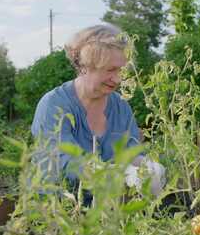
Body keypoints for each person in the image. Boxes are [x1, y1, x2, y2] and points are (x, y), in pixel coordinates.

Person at [30, 24, 165, 203]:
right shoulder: (54, 105)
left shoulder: (120, 106)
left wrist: (146, 167)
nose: (118, 79)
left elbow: (130, 152)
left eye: (122, 70)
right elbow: (63, 163)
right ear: (84, 66)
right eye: (110, 70)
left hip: (110, 213)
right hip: (60, 212)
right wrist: (118, 173)